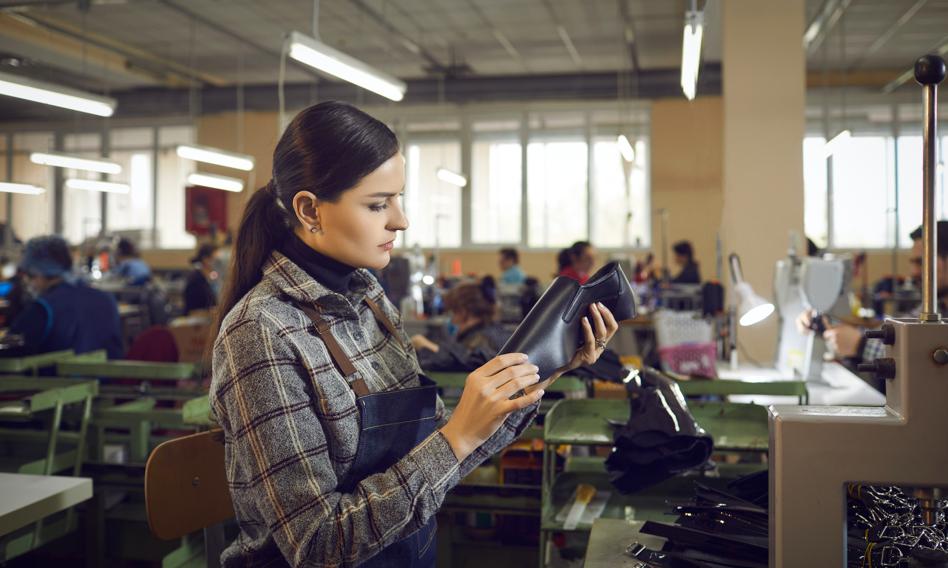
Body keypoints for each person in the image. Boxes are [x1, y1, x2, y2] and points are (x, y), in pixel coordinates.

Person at [208, 101, 619, 568]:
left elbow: (438, 462)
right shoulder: (261, 333)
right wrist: (456, 436)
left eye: (398, 199)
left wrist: (546, 367)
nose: (400, 221)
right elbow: (318, 544)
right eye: (378, 204)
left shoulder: (371, 301)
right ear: (309, 209)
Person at [798, 221, 948, 366]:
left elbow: (923, 362)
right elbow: (896, 335)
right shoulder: (936, 307)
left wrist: (860, 345)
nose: (913, 271)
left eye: (922, 262)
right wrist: (826, 324)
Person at [8, 235, 123, 359]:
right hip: (108, 376)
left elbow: (12, 348)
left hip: (60, 377)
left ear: (38, 273)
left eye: (29, 276)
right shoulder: (106, 299)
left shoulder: (43, 308)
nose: (28, 282)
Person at [411, 277, 509, 359]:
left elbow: (466, 361)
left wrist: (428, 346)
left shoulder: (485, 341)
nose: (452, 320)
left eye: (453, 312)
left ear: (464, 311)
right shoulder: (493, 332)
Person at [183, 243, 219, 315]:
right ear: (206, 259)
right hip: (196, 318)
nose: (217, 263)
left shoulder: (210, 276)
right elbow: (192, 308)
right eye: (215, 260)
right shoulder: (195, 278)